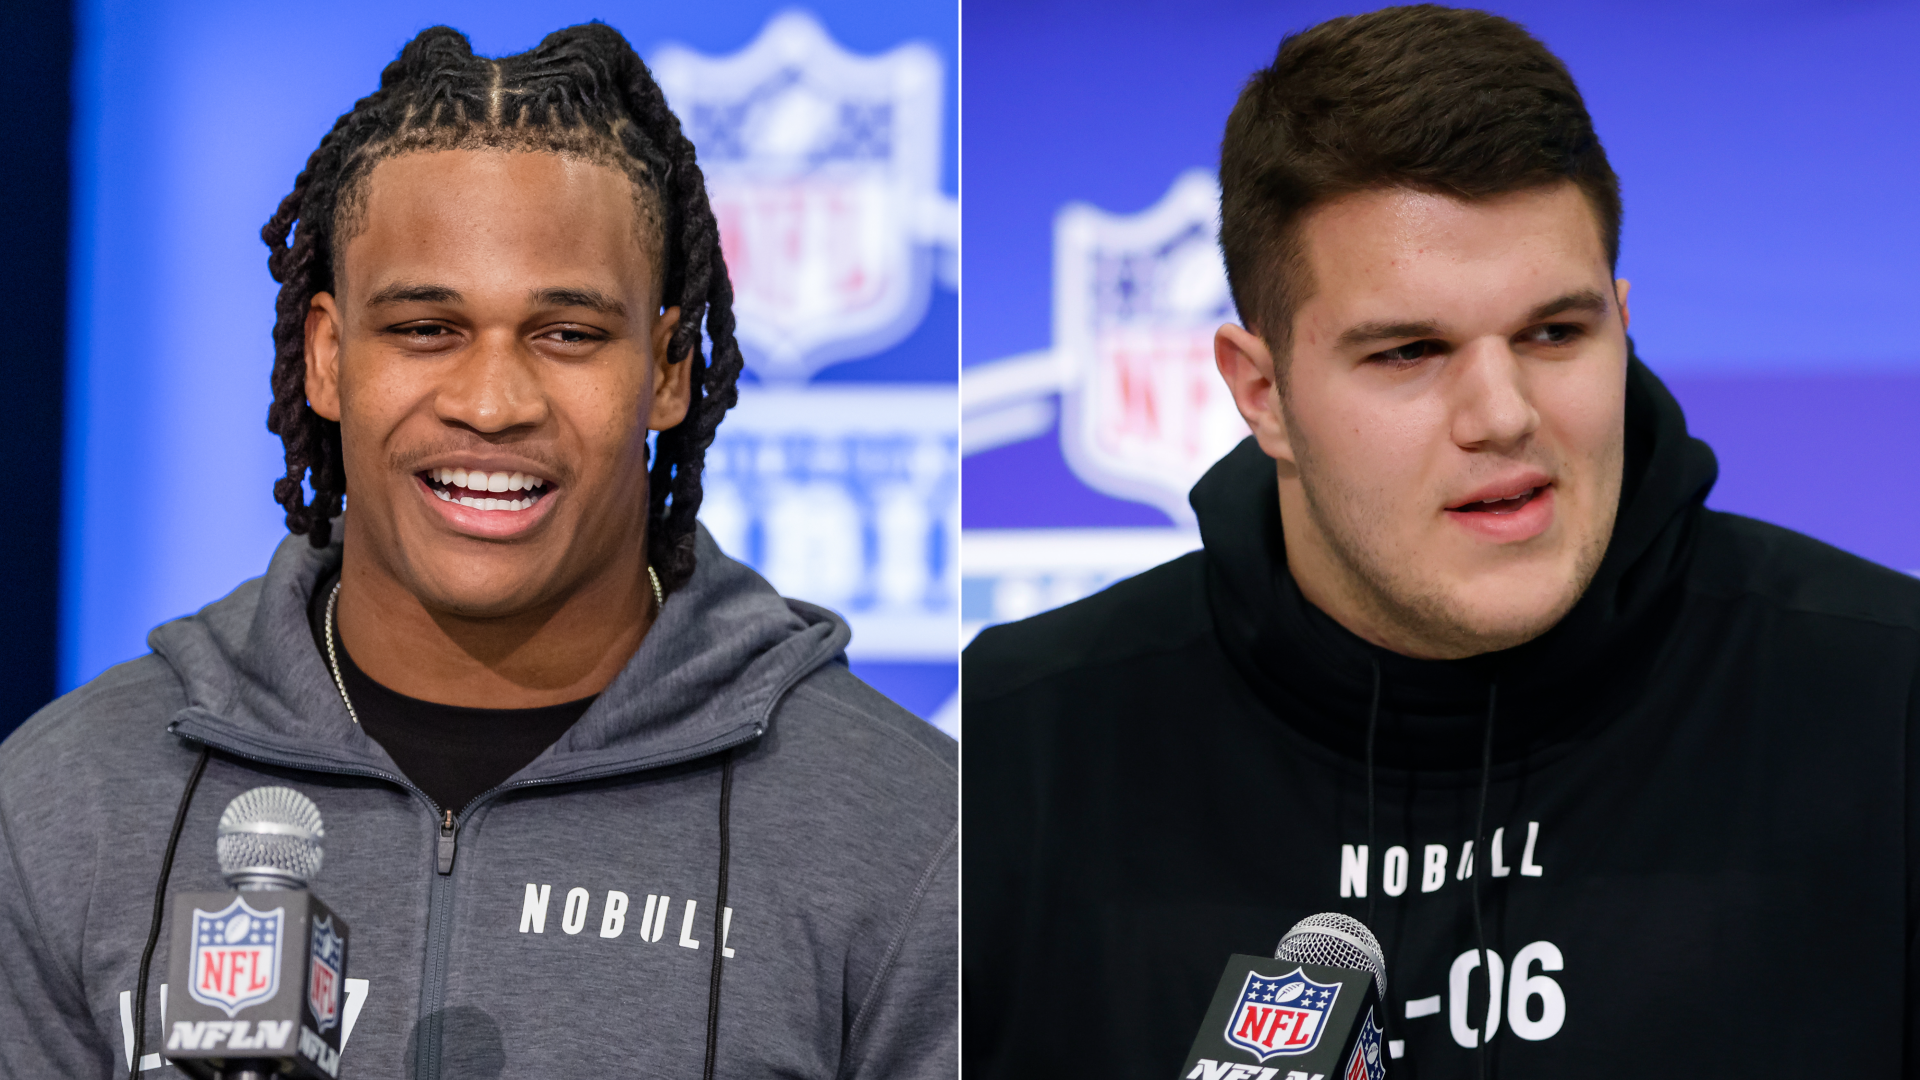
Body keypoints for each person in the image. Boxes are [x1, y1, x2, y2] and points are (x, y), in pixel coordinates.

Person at [963, 6, 1920, 1078]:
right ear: (1263, 391)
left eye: (1555, 333)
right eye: (1411, 352)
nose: (1502, 413)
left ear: (1623, 321)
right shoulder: (1019, 751)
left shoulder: (1888, 699)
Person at [0, 24, 955, 1079]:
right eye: (425, 328)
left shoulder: (914, 836)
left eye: (568, 334)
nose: (492, 403)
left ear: (669, 371)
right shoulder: (67, 799)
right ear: (326, 356)